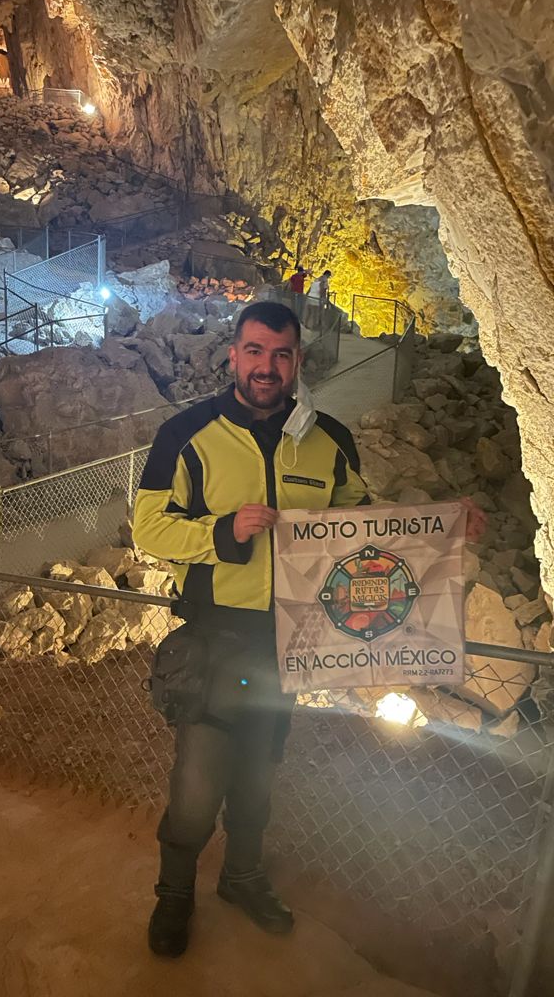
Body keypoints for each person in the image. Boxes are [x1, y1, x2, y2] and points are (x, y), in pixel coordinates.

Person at [132, 301, 370, 958]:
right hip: (215, 638)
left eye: (282, 354)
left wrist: (444, 527)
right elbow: (148, 528)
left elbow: (363, 524)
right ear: (233, 355)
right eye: (256, 351)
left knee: (259, 777)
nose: (268, 366)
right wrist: (222, 532)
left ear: (298, 362)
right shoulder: (186, 434)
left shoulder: (328, 439)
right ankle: (174, 895)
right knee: (196, 787)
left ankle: (240, 878)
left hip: (288, 640)